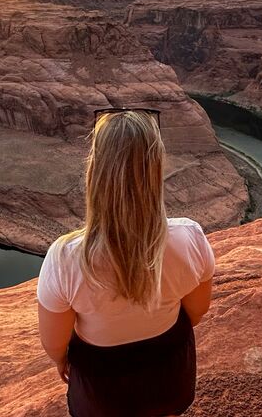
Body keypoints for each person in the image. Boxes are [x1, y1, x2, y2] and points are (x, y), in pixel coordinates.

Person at [36, 108, 215, 417]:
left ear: (96, 173)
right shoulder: (190, 237)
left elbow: (54, 343)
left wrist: (63, 361)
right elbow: (197, 312)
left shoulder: (65, 257)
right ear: (156, 170)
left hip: (102, 388)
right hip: (169, 372)